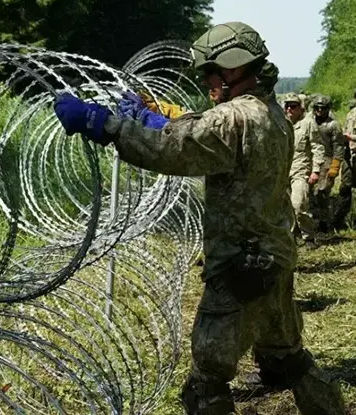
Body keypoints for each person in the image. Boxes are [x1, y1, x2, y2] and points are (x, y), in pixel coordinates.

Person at [53, 21, 345, 414]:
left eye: (209, 72)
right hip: (274, 255)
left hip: (238, 265)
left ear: (231, 68)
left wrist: (103, 124)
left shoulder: (233, 118)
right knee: (288, 358)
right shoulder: (272, 113)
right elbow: (201, 135)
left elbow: (168, 149)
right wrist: (156, 120)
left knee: (207, 381)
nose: (206, 80)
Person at [284, 93, 324, 249]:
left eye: (293, 106)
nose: (289, 109)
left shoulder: (308, 123)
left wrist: (316, 170)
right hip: (283, 171)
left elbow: (318, 147)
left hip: (301, 169)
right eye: (287, 105)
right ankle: (290, 237)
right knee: (285, 208)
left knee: (298, 204)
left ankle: (308, 236)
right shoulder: (281, 123)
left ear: (300, 108)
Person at [309, 94, 344, 232]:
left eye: (323, 108)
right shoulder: (309, 122)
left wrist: (335, 166)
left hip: (328, 160)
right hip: (311, 160)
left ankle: (324, 222)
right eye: (317, 108)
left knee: (322, 192)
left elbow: (339, 146)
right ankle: (312, 220)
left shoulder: (333, 125)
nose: (320, 111)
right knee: (309, 193)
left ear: (328, 109)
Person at [334, 94, 356, 229]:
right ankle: (339, 220)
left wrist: (352, 137)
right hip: (349, 155)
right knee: (345, 188)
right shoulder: (351, 113)